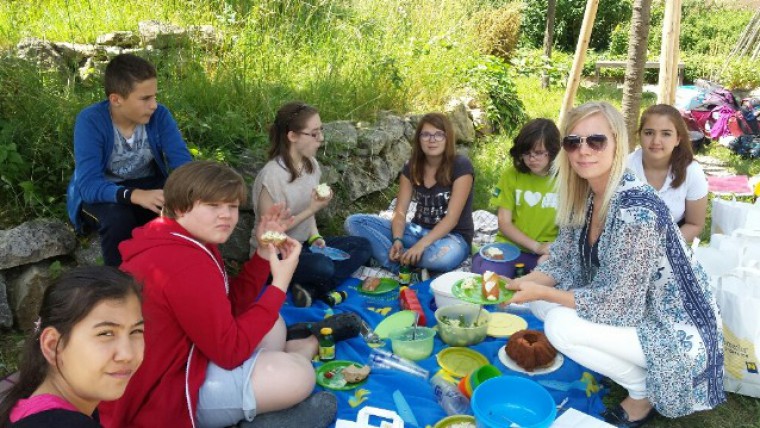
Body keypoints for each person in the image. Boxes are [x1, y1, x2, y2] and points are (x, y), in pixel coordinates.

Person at [506, 102, 724, 427]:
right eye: (573, 141)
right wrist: (518, 286)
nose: (583, 151)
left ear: (617, 144)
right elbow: (563, 260)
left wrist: (545, 292)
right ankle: (629, 367)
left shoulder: (637, 210)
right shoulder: (585, 192)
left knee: (559, 325)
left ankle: (641, 393)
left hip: (676, 329)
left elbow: (620, 305)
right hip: (638, 307)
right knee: (537, 302)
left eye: (596, 141)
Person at [99, 161, 339, 428]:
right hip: (168, 394)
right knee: (299, 375)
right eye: (213, 206)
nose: (226, 215)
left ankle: (288, 359)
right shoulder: (183, 263)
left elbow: (230, 306)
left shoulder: (179, 238)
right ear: (180, 207)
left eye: (232, 206)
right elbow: (230, 352)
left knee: (273, 323)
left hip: (187, 355)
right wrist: (279, 284)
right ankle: (275, 390)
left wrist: (261, 252)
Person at [66, 53, 193, 266]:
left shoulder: (159, 116)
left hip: (148, 187)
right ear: (116, 99)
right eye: (145, 99)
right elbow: (88, 186)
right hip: (103, 194)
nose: (154, 105)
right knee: (118, 219)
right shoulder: (91, 121)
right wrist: (133, 195)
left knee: (184, 209)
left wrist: (183, 193)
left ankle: (178, 275)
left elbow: (183, 165)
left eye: (154, 96)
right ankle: (119, 285)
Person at [251, 102, 371, 307]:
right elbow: (270, 236)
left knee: (363, 246)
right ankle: (310, 284)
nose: (321, 139)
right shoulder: (271, 177)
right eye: (314, 134)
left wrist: (315, 236)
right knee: (323, 267)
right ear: (292, 136)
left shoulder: (311, 165)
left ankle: (310, 289)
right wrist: (312, 209)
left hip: (304, 246)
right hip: (275, 256)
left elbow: (310, 218)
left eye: (321, 131)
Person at [0, 266, 144, 428]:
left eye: (136, 331)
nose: (127, 354)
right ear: (53, 345)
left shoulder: (25, 403)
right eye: (106, 333)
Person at [345, 112, 474, 273]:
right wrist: (398, 238)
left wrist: (421, 246)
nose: (432, 139)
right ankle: (403, 260)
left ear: (447, 138)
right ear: (419, 139)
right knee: (354, 222)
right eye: (426, 134)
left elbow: (452, 219)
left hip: (453, 238)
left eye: (438, 135)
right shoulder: (411, 167)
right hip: (416, 231)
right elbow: (399, 212)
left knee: (443, 259)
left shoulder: (461, 166)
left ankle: (395, 260)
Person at [472, 118, 560, 275]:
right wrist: (536, 247)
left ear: (553, 152)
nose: (531, 158)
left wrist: (549, 250)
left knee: (554, 276)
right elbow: (504, 223)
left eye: (539, 152)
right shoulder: (511, 175)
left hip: (549, 249)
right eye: (526, 153)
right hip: (511, 247)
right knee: (486, 271)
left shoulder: (565, 180)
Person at [627, 104, 708, 243]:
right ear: (639, 135)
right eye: (649, 133)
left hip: (670, 244)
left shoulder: (692, 172)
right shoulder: (624, 168)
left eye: (666, 134)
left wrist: (662, 247)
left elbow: (695, 224)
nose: (656, 141)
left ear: (678, 139)